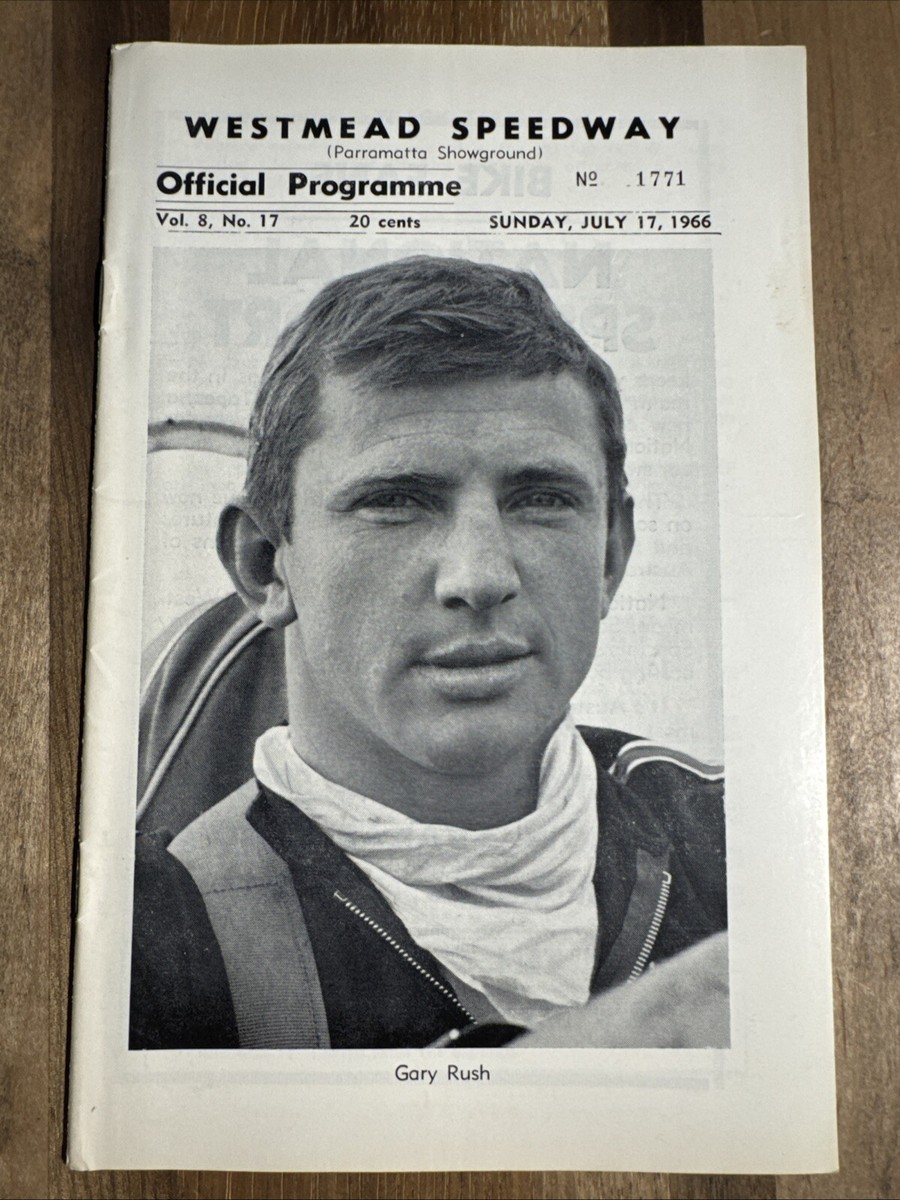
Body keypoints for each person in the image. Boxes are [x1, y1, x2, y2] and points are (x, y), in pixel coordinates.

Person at [130, 256, 727, 1051]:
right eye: (396, 503)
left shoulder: (745, 842)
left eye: (542, 499)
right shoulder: (136, 947)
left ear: (611, 553)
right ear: (266, 563)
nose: (479, 577)